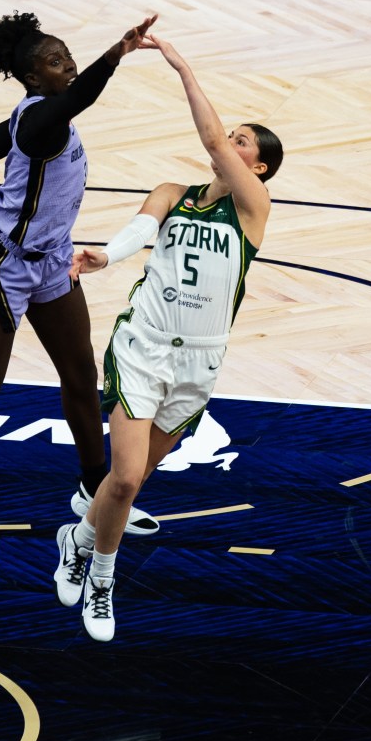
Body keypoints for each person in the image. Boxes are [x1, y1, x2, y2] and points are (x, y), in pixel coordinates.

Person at [53, 34, 283, 641]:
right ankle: (101, 579)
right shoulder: (171, 193)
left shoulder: (253, 208)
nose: (227, 144)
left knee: (129, 484)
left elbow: (209, 140)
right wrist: (105, 255)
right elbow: (136, 233)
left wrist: (182, 64)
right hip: (144, 345)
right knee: (124, 479)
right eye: (230, 136)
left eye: (241, 144)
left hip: (200, 365)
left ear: (256, 168)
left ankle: (75, 537)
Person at [0, 10, 159, 535]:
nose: (70, 67)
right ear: (34, 77)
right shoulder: (40, 123)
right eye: (57, 63)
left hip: (53, 259)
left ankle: (92, 488)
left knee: (81, 375)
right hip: (3, 267)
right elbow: (80, 98)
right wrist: (117, 52)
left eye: (68, 57)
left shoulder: (38, 114)